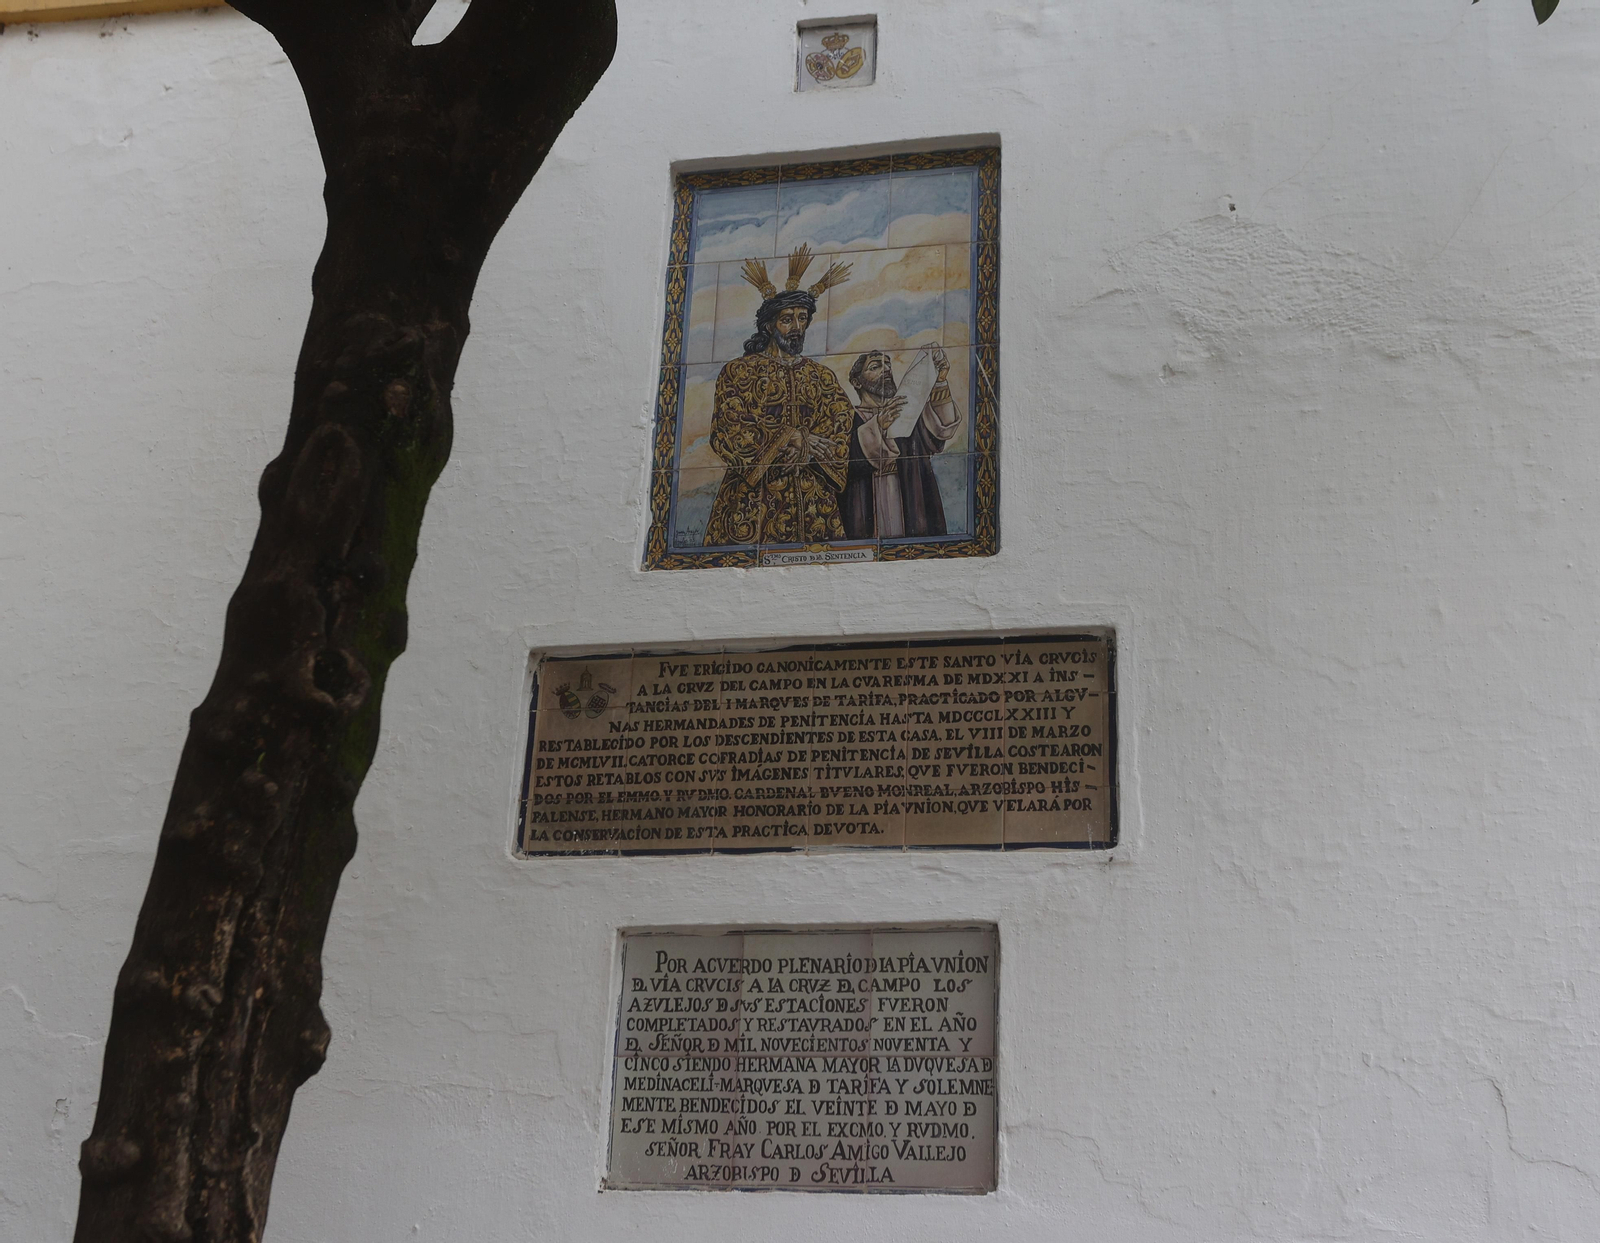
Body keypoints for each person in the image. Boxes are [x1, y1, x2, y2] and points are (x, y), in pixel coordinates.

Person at [701, 245, 856, 547]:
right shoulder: (739, 372)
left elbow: (841, 419)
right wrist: (790, 437)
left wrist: (809, 443)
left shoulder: (821, 376)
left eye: (802, 318)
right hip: (752, 503)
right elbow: (729, 427)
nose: (797, 328)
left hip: (814, 502)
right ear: (770, 325)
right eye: (787, 319)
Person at [841, 345, 963, 540]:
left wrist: (939, 381)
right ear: (856, 381)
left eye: (888, 365)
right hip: (862, 510)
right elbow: (839, 464)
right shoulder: (845, 419)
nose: (886, 369)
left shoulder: (905, 414)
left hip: (912, 504)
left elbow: (939, 432)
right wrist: (878, 425)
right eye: (875, 366)